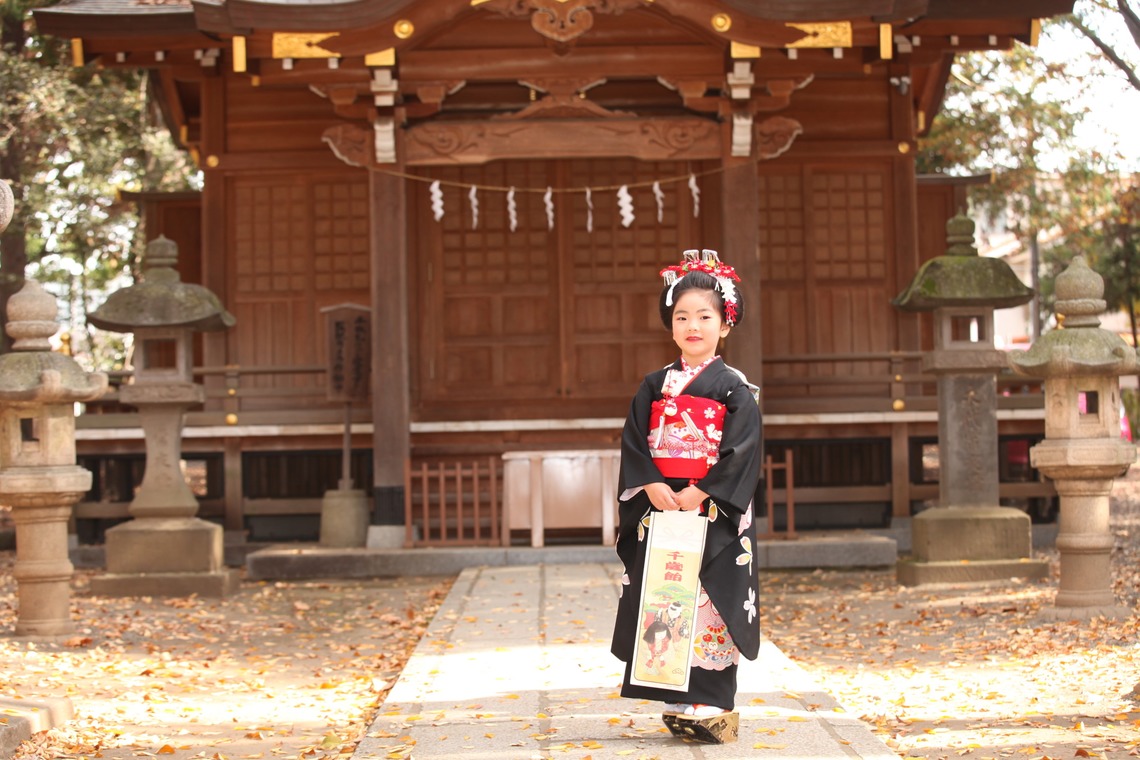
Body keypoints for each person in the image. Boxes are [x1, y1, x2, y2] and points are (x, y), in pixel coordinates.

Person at [610, 248, 763, 724]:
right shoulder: (653, 386)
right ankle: (671, 687)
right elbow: (635, 442)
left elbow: (742, 450)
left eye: (704, 316)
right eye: (682, 317)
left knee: (709, 594)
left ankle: (714, 694)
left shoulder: (736, 389)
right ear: (670, 325)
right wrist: (651, 483)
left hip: (712, 509)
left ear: (725, 324)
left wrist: (703, 490)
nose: (692, 325)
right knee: (665, 593)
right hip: (660, 505)